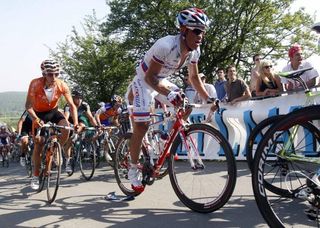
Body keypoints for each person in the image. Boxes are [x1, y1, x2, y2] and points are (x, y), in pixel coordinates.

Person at [125, 7, 217, 192]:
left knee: (186, 106)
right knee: (142, 126)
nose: (201, 36)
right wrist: (169, 94)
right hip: (144, 81)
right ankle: (133, 168)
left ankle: (165, 143)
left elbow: (194, 78)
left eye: (203, 32)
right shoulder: (166, 45)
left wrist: (210, 99)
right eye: (197, 31)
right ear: (184, 30)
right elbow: (150, 78)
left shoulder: (194, 52)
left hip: (161, 81)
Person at [25, 59, 79, 190]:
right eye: (50, 74)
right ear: (44, 74)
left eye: (57, 73)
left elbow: (72, 105)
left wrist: (76, 123)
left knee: (66, 128)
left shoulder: (62, 85)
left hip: (53, 112)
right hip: (38, 114)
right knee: (38, 142)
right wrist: (35, 119)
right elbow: (28, 106)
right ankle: (36, 175)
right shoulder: (35, 84)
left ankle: (56, 148)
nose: (54, 77)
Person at [64, 89, 98, 173]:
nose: (79, 100)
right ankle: (67, 162)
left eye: (80, 98)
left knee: (83, 124)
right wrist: (70, 126)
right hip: (70, 121)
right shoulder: (69, 105)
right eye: (76, 98)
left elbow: (91, 118)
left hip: (79, 120)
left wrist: (97, 126)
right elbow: (65, 118)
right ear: (73, 98)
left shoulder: (85, 105)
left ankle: (80, 139)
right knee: (69, 141)